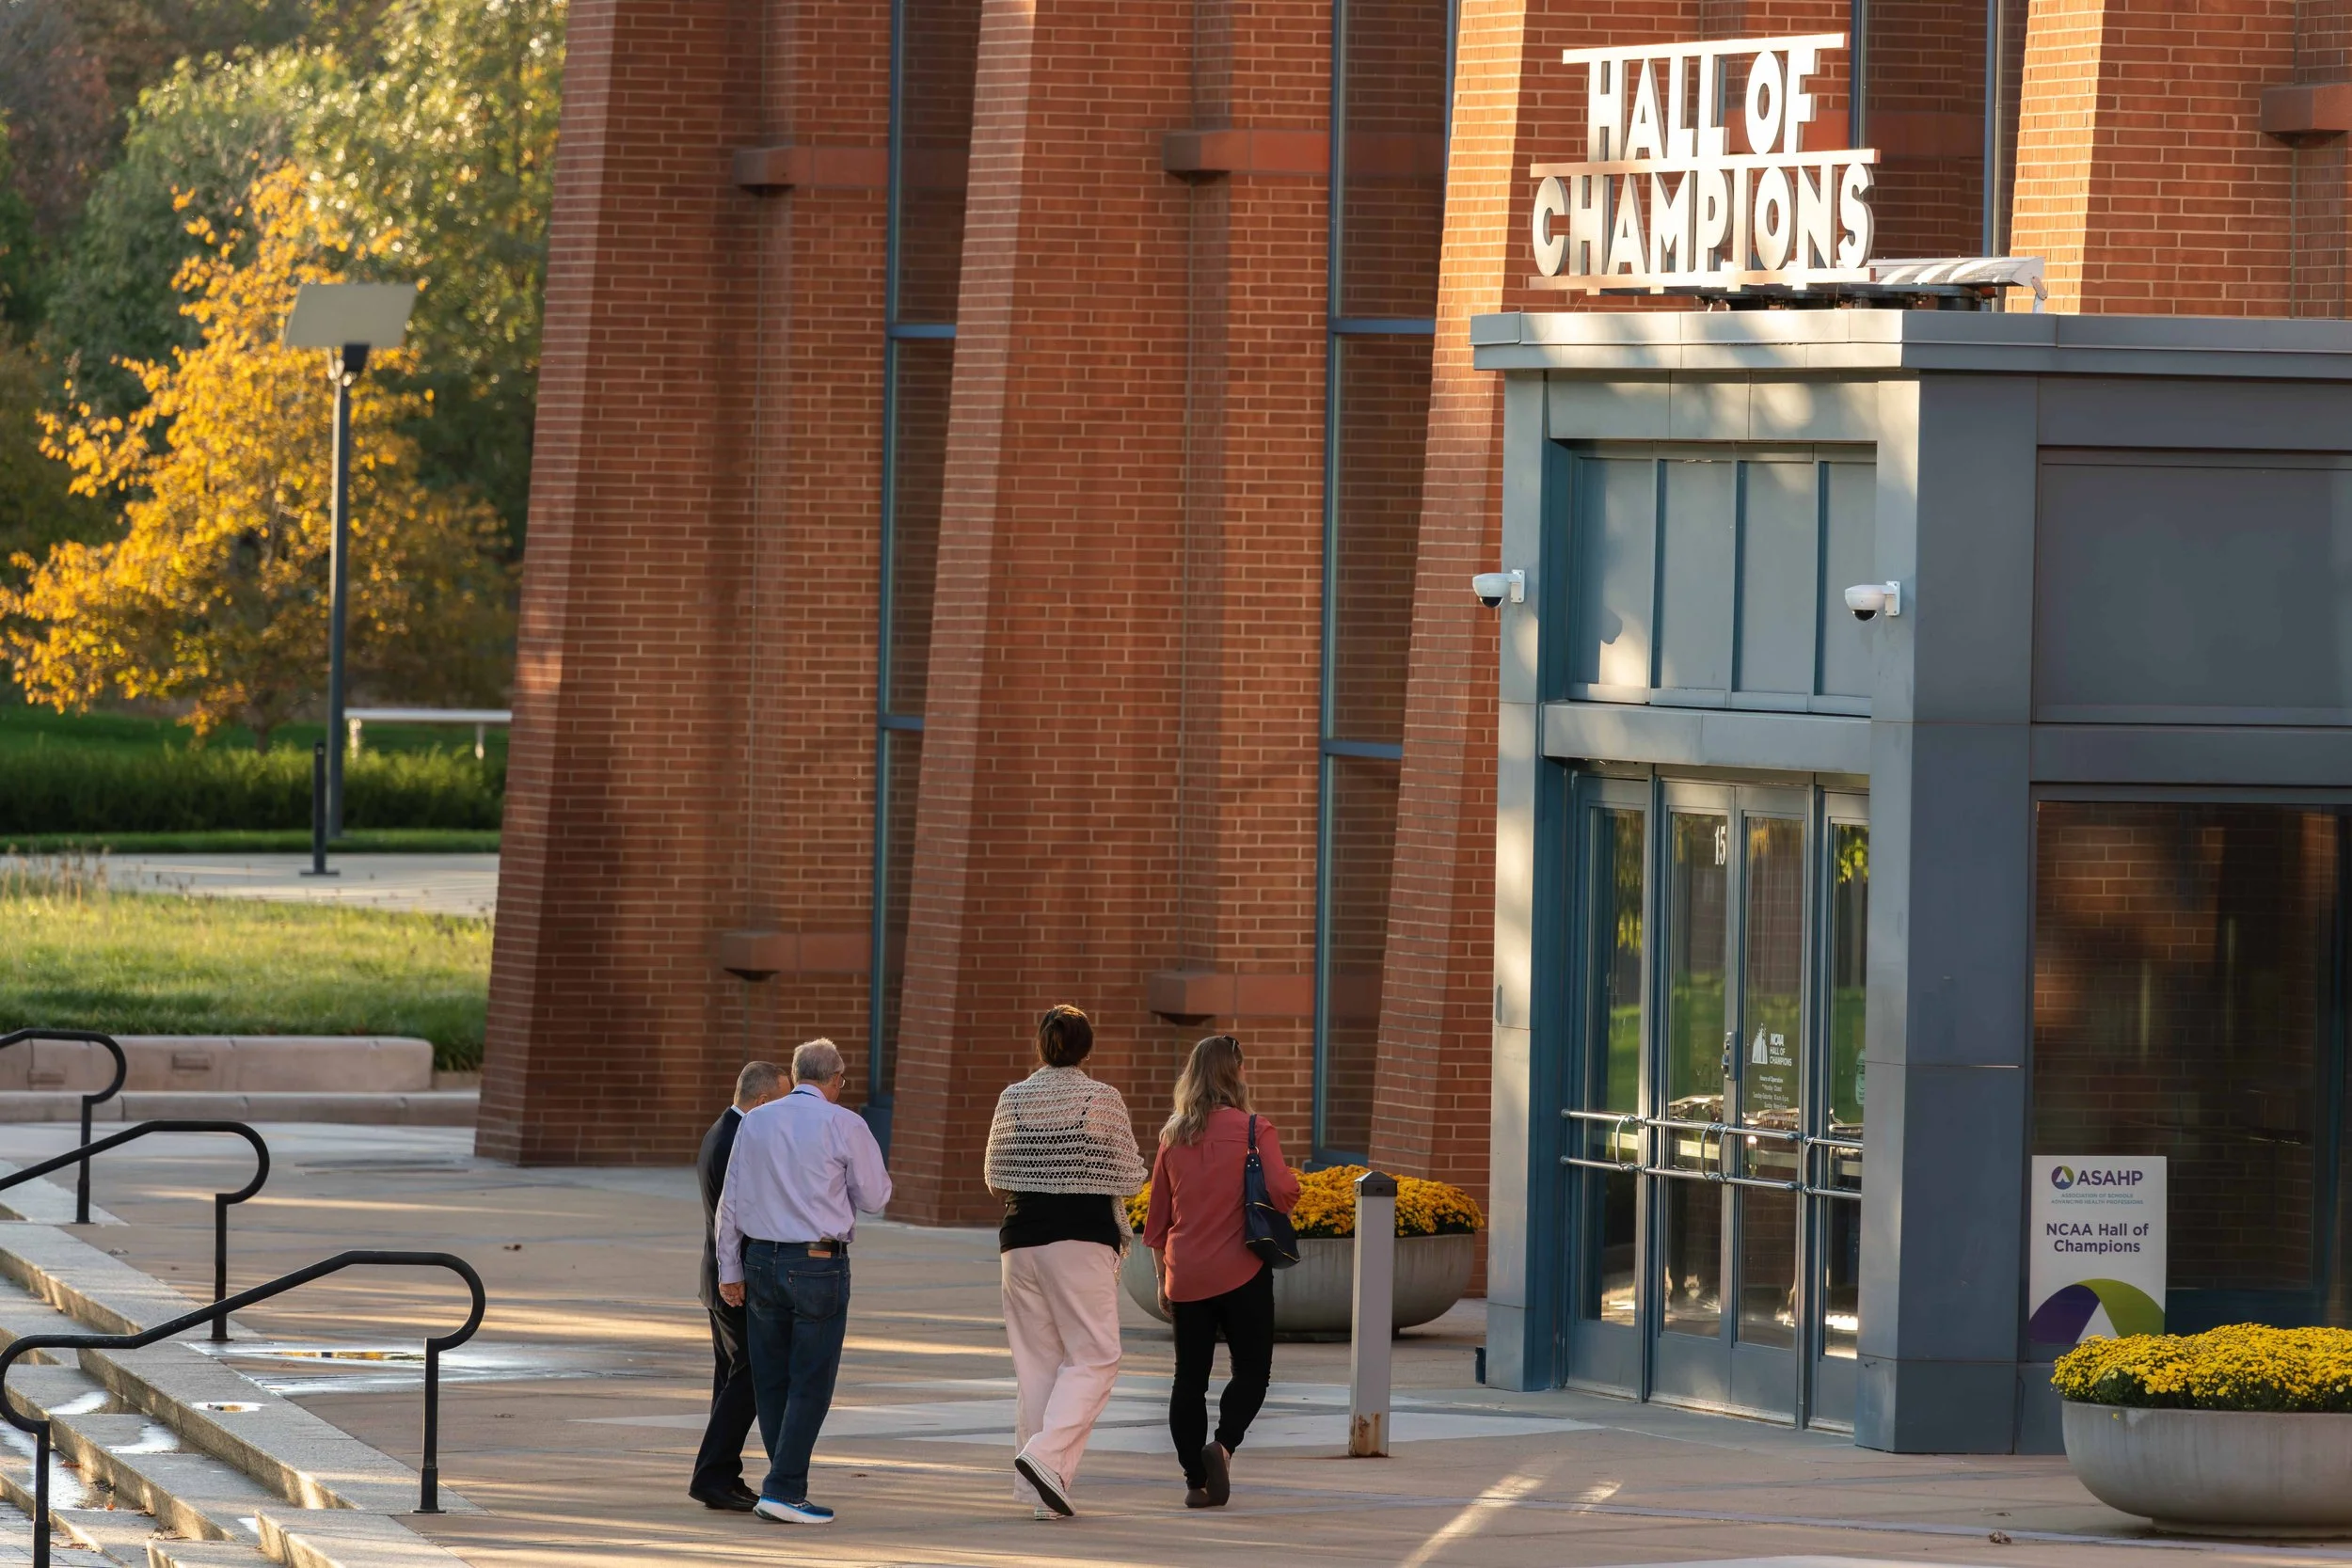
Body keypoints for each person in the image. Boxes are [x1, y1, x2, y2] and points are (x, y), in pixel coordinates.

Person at [714, 1037, 892, 1526]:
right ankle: (785, 1488)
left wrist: (729, 1269)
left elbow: (730, 1201)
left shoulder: (756, 1120)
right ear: (835, 1079)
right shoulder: (845, 1123)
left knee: (772, 1380)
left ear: (795, 1075)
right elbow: (876, 1196)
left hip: (760, 1261)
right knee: (811, 1381)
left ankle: (782, 1483)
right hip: (817, 1263)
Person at [983, 1005, 1147, 1521]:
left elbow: (994, 1177)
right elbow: (1129, 1176)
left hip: (1019, 1242)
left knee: (1037, 1366)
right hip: (1079, 1242)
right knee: (1097, 1356)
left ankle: (1042, 1495)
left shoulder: (1013, 1098)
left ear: (1041, 1045)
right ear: (1086, 1048)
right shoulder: (1101, 1099)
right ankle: (1045, 1455)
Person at [1142, 1033, 1298, 1510]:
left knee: (1188, 1379)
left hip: (1186, 1272)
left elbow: (1157, 1221)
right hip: (1243, 1269)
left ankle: (1195, 1479)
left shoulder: (1173, 1136)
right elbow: (1284, 1191)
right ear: (1237, 1074)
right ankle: (1223, 1445)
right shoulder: (1255, 1130)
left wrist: (1162, 1280)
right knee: (1253, 1370)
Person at [691, 1059, 787, 1511]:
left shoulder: (723, 1129)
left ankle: (721, 1474)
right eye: (784, 1100)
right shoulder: (737, 1138)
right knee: (750, 1376)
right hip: (735, 1281)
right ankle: (711, 1474)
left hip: (722, 1277)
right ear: (764, 1101)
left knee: (732, 1379)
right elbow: (734, 1218)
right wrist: (737, 1275)